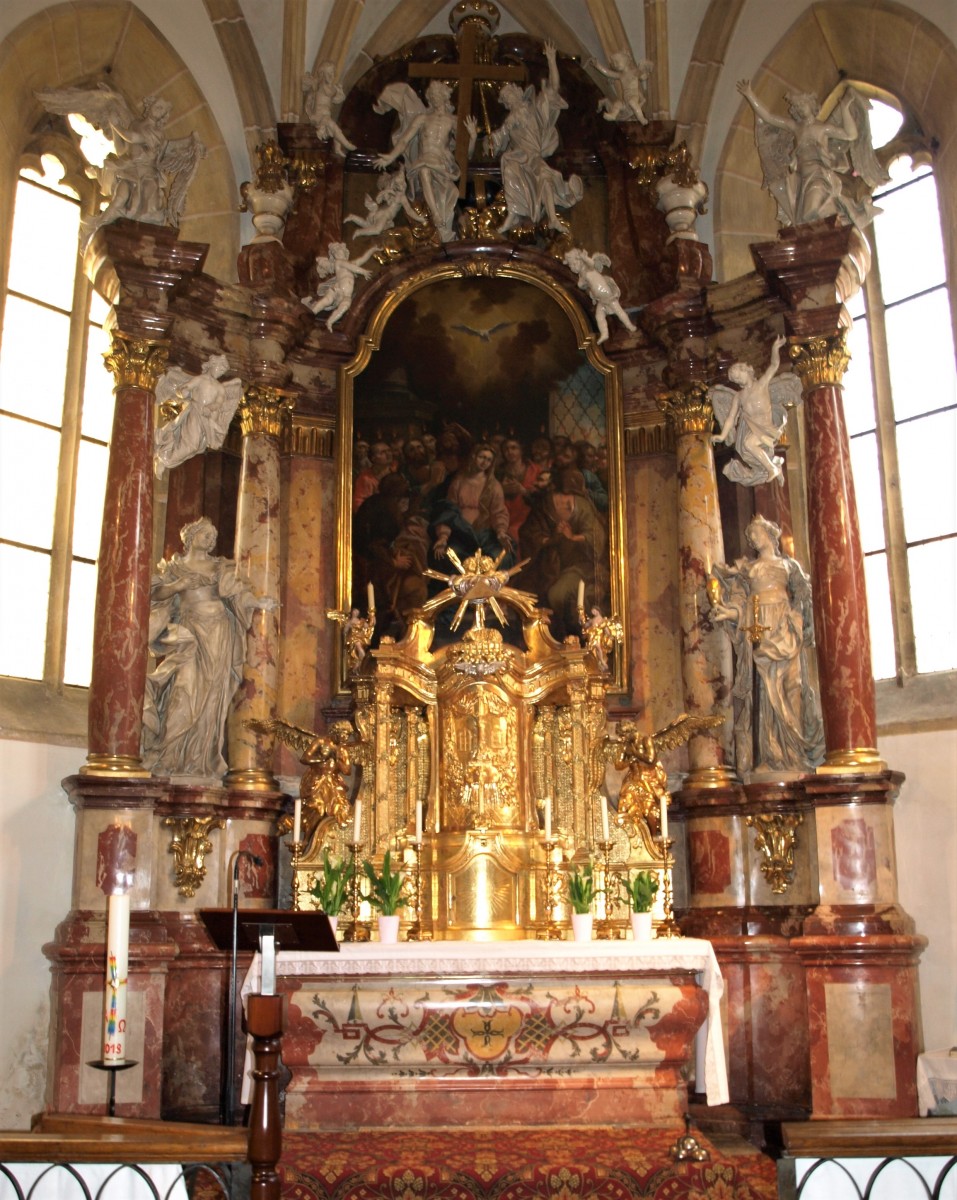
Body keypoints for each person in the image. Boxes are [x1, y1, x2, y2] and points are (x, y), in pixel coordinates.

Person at [141, 518, 271, 778]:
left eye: (213, 535)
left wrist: (257, 601)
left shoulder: (220, 566)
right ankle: (168, 756)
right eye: (205, 534)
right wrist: (177, 587)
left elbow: (237, 593)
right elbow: (153, 594)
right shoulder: (175, 567)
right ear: (190, 537)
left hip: (219, 634)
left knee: (212, 698)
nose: (210, 539)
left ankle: (200, 761)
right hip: (190, 634)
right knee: (183, 692)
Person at [709, 515, 825, 776]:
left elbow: (804, 599)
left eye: (757, 533)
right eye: (750, 536)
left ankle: (794, 755)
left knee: (792, 685)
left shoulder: (789, 566)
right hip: (760, 626)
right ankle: (772, 755)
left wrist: (797, 620)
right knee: (765, 692)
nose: (753, 538)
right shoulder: (748, 569)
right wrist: (728, 613)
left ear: (770, 535)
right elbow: (739, 603)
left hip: (785, 626)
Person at [736, 80, 888, 231]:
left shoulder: (822, 128)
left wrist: (844, 108)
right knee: (803, 217)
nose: (800, 108)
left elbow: (850, 134)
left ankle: (833, 227)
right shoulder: (796, 127)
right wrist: (750, 94)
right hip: (800, 179)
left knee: (811, 213)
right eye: (797, 107)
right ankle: (836, 222)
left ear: (811, 105)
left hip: (818, 175)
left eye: (803, 104)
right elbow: (769, 117)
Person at [485, 41, 583, 234]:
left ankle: (553, 218)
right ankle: (514, 213)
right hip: (517, 158)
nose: (509, 101)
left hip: (533, 155)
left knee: (545, 177)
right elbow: (494, 144)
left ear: (519, 94)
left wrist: (551, 60)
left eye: (511, 96)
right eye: (506, 100)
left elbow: (553, 89)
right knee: (509, 164)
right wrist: (494, 137)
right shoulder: (509, 121)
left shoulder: (534, 110)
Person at [374, 80, 477, 243]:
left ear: (445, 97)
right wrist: (391, 156)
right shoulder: (422, 119)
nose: (435, 99)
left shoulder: (453, 120)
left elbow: (466, 154)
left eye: (438, 95)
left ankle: (443, 227)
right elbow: (404, 141)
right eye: (432, 96)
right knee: (424, 170)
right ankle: (435, 215)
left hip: (443, 163)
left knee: (446, 198)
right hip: (424, 159)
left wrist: (473, 136)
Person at [519, 466, 606, 638]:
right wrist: (551, 540)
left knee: (557, 595)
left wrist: (572, 537)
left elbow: (596, 536)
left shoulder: (582, 505)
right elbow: (529, 532)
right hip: (547, 564)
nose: (565, 499)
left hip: (580, 566)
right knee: (529, 595)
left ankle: (573, 637)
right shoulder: (545, 504)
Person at [710, 334, 802, 486]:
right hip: (753, 429)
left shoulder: (762, 384)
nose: (739, 381)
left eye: (740, 376)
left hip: (767, 427)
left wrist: (775, 348)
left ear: (747, 372)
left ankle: (772, 468)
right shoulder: (738, 396)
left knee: (748, 445)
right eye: (736, 380)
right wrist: (722, 435)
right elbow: (731, 418)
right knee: (747, 446)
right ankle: (771, 468)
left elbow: (773, 366)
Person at [153, 353, 242, 478]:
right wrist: (183, 391)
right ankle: (163, 458)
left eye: (223, 370)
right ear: (212, 365)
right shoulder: (201, 379)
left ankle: (165, 456)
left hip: (206, 416)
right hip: (195, 410)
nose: (221, 372)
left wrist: (209, 408)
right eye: (220, 368)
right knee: (191, 445)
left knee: (196, 447)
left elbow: (218, 403)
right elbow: (185, 388)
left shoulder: (220, 388)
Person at [431, 442, 514, 565]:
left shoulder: (494, 486)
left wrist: (501, 532)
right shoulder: (458, 482)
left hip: (485, 535)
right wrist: (443, 537)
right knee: (449, 557)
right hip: (461, 534)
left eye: (488, 460)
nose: (484, 462)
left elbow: (499, 512)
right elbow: (448, 511)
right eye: (481, 457)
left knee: (501, 558)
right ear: (474, 457)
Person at [563, 247, 636, 344]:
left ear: (580, 260)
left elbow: (591, 263)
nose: (572, 267)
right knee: (599, 316)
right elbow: (582, 285)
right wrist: (581, 284)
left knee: (618, 311)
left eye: (574, 264)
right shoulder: (582, 277)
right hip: (600, 299)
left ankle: (629, 325)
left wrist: (584, 258)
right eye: (570, 265)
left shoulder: (588, 268)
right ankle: (604, 334)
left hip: (607, 294)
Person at [302, 241, 379, 331]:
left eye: (338, 251)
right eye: (334, 253)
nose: (337, 254)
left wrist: (373, 249)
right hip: (337, 289)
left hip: (347, 295)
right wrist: (363, 272)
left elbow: (363, 258)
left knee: (345, 307)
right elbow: (351, 267)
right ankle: (310, 314)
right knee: (327, 301)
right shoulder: (338, 263)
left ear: (345, 252)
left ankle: (330, 322)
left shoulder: (353, 263)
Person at [344, 164, 426, 237]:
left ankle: (353, 218)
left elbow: (409, 210)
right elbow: (409, 210)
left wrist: (419, 218)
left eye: (402, 185)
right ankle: (359, 232)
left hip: (381, 213)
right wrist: (420, 219)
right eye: (399, 185)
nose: (401, 187)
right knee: (377, 230)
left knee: (368, 225)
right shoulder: (399, 196)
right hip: (385, 215)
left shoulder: (397, 195)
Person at [302, 61, 356, 157]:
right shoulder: (321, 86)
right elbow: (329, 93)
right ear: (323, 74)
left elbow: (340, 98)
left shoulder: (329, 87)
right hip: (319, 116)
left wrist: (338, 90)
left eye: (333, 73)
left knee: (334, 129)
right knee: (334, 127)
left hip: (326, 115)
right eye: (329, 73)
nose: (332, 76)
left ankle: (337, 148)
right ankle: (346, 144)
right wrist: (337, 89)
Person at [590, 51, 652, 123]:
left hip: (633, 96)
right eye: (614, 63)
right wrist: (598, 65)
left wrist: (643, 71)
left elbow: (641, 74)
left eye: (617, 62)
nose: (615, 65)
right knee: (617, 104)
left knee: (633, 103)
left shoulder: (633, 72)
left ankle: (642, 118)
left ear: (626, 61)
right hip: (625, 100)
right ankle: (613, 115)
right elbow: (609, 73)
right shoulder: (621, 75)